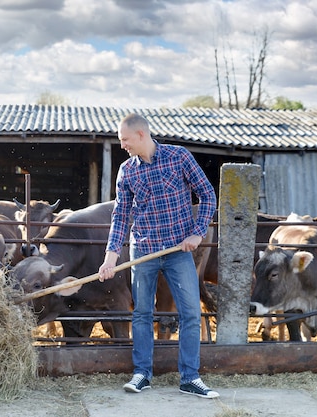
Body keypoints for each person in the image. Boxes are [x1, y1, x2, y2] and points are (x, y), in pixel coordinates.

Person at [98, 113, 219, 399]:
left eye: (125, 139)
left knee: (190, 312)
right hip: (143, 250)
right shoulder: (127, 171)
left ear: (141, 135)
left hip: (178, 251)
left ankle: (190, 378)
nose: (122, 145)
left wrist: (198, 232)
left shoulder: (179, 157)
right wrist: (111, 256)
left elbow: (207, 194)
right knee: (141, 313)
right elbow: (121, 216)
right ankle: (142, 374)